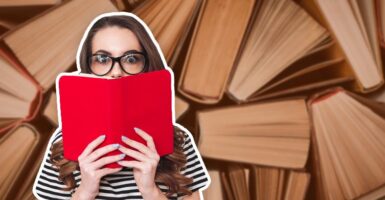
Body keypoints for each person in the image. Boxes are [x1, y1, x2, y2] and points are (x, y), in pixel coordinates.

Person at [32, 12, 210, 200]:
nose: (116, 72)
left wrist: (150, 191)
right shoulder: (64, 143)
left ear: (147, 65)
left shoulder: (178, 143)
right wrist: (86, 191)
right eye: (102, 59)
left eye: (131, 59)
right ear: (87, 67)